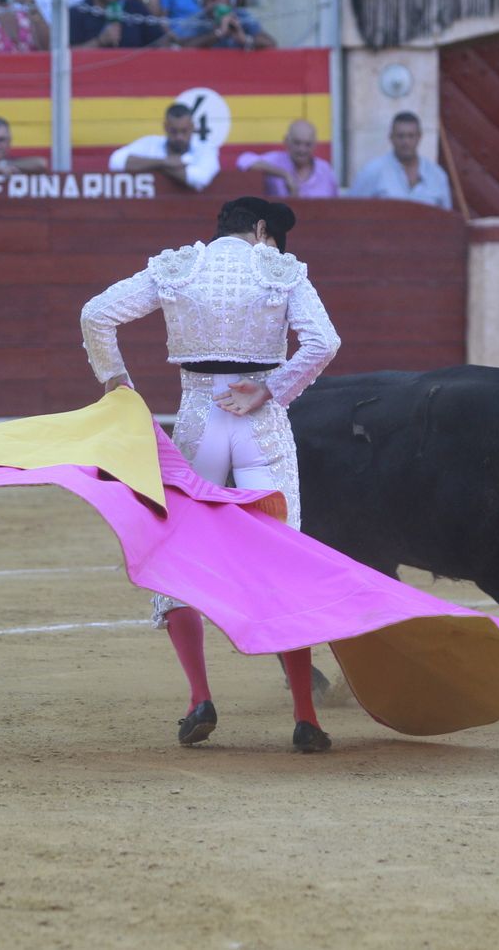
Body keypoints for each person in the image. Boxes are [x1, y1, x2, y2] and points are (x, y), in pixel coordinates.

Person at [80, 196, 340, 752]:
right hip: (261, 424)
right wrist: (269, 389)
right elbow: (324, 341)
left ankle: (199, 698)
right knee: (284, 560)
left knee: (181, 556)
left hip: (199, 417)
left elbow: (96, 315)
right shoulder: (279, 269)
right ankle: (306, 717)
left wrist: (117, 383)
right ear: (262, 230)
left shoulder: (178, 267)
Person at [346, 111, 452, 210]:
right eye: (400, 136)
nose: (406, 142)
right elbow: (352, 210)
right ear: (391, 137)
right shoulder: (372, 172)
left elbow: (446, 217)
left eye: (411, 136)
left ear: (419, 137)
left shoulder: (437, 175)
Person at [108, 101, 218, 192]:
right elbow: (116, 161)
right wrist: (164, 162)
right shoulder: (150, 143)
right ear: (166, 127)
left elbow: (200, 179)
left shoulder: (205, 149)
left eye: (184, 131)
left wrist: (154, 165)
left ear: (192, 127)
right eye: (174, 131)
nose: (179, 137)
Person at [237, 119, 337, 199]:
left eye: (307, 144)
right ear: (286, 141)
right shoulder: (276, 160)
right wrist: (284, 174)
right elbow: (243, 161)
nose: (302, 150)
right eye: (297, 143)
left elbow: (334, 204)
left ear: (314, 145)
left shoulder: (325, 170)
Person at [174, 0, 272, 50]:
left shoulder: (242, 16)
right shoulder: (199, 21)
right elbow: (183, 47)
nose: (217, 2)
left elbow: (270, 43)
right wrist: (218, 34)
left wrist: (244, 39)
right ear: (202, 2)